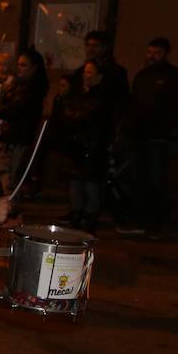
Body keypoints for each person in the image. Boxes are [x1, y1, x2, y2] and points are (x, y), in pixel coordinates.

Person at [117, 37, 178, 235]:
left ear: (165, 54)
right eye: (149, 52)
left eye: (157, 53)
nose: (152, 56)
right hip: (138, 136)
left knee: (156, 179)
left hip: (158, 136)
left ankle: (156, 222)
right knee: (138, 178)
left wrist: (161, 122)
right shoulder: (142, 76)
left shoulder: (173, 76)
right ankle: (139, 219)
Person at [52, 61, 113, 232]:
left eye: (90, 72)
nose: (86, 76)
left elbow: (83, 117)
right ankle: (77, 213)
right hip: (78, 146)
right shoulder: (80, 94)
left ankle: (89, 217)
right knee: (76, 182)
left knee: (90, 184)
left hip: (93, 147)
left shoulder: (102, 97)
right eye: (85, 72)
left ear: (99, 76)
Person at [0, 48, 49, 200]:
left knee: (10, 179)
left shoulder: (32, 88)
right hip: (10, 136)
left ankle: (12, 213)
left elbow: (15, 110)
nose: (19, 68)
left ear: (34, 67)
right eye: (18, 64)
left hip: (16, 139)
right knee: (7, 178)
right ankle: (11, 211)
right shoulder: (18, 84)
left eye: (24, 65)